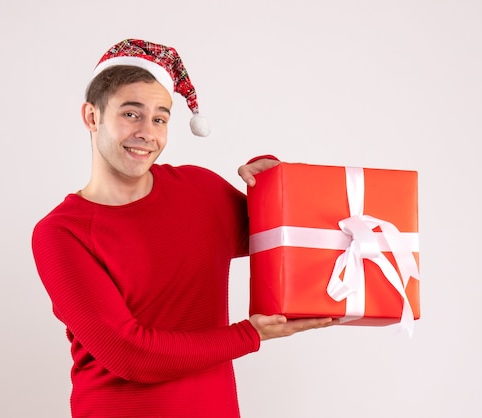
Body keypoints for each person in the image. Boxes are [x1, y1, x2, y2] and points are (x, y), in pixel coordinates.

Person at [32, 38, 336, 418]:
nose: (148, 133)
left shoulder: (199, 191)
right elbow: (130, 354)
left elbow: (291, 234)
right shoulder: (61, 234)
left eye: (160, 118)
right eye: (131, 114)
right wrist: (251, 334)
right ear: (92, 117)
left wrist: (272, 180)